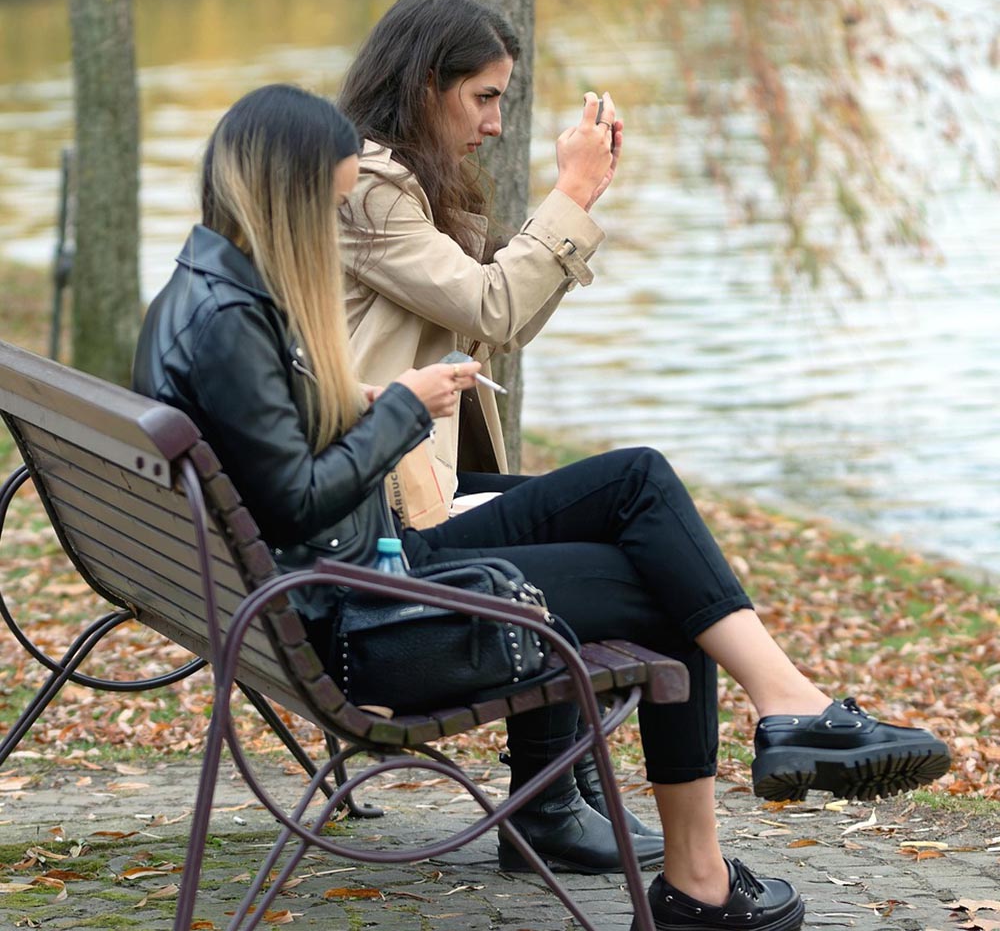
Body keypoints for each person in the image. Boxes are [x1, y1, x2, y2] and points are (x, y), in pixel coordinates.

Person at [133, 84, 950, 931]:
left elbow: (268, 465)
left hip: (337, 587)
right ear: (286, 197)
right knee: (670, 593)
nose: (333, 227)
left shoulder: (199, 294)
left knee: (637, 479)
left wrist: (348, 400)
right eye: (330, 205)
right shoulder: (232, 322)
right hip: (367, 618)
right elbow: (300, 502)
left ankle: (781, 712)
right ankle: (707, 868)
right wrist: (401, 410)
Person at [336, 0, 642, 871]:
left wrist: (574, 212)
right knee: (617, 519)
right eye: (484, 96)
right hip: (385, 505)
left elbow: (493, 326)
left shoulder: (392, 179)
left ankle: (563, 789)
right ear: (425, 83)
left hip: (389, 479)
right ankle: (552, 801)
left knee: (610, 515)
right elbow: (492, 306)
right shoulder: (370, 189)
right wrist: (572, 192)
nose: (496, 123)